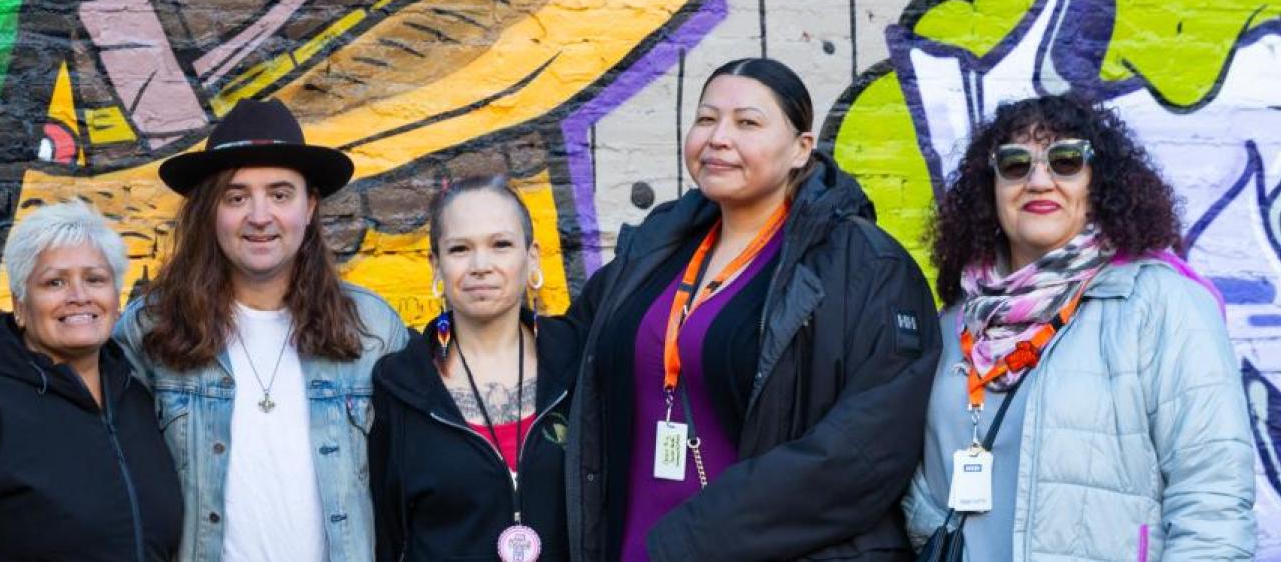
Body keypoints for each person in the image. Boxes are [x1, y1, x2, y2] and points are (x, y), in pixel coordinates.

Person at [563, 57, 942, 561]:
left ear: (801, 150)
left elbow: (865, 450)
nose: (719, 137)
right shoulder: (656, 248)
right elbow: (566, 354)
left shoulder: (865, 267)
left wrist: (693, 538)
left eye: (747, 123)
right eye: (705, 119)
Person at [903, 95, 1254, 560]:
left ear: (1099, 182)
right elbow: (912, 482)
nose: (1039, 180)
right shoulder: (953, 324)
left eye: (1066, 161)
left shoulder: (1161, 305)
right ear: (991, 187)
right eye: (1015, 164)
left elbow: (1213, 502)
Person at [114, 97, 411, 562]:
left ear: (309, 206)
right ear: (209, 211)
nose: (259, 215)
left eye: (280, 194)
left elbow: (412, 487)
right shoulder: (149, 331)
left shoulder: (373, 330)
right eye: (236, 197)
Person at [0, 200, 183, 560]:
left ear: (116, 296)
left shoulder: (136, 398)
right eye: (54, 282)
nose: (79, 296)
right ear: (19, 304)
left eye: (95, 279)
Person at [371, 175, 582, 561]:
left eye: (501, 245)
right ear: (436, 265)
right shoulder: (398, 385)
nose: (480, 266)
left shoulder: (580, 362)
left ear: (532, 256)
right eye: (460, 249)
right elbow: (387, 534)